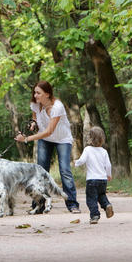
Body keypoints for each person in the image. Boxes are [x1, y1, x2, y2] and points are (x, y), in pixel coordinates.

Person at [15, 80, 80, 214]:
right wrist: (33, 123)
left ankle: (72, 204)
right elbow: (35, 115)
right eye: (35, 92)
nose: (35, 95)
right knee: (41, 172)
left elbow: (49, 131)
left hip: (62, 139)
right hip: (45, 140)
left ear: (47, 94)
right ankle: (38, 205)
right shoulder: (35, 103)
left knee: (65, 171)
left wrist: (26, 139)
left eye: (38, 93)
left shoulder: (57, 107)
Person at [75, 126, 114, 224]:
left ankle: (95, 215)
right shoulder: (104, 151)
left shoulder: (88, 149)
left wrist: (76, 163)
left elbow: (82, 160)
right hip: (102, 179)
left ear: (90, 139)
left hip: (92, 180)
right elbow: (108, 165)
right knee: (101, 195)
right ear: (102, 139)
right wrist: (108, 175)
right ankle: (107, 205)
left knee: (91, 198)